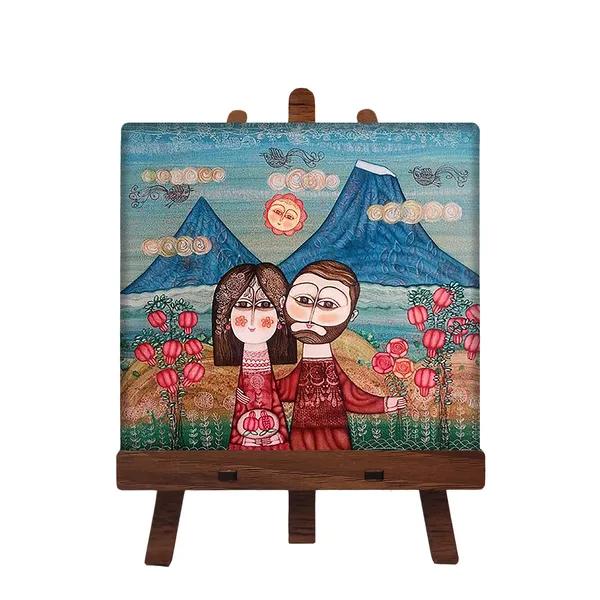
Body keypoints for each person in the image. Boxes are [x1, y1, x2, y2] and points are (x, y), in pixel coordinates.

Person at [277, 260, 405, 450]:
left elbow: (351, 395)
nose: (312, 314)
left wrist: (383, 403)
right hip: (301, 439)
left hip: (335, 442)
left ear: (351, 316)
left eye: (328, 304)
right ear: (283, 302)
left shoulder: (331, 371)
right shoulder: (303, 369)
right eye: (303, 300)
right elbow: (286, 389)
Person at [212, 263, 297, 450]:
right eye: (242, 304)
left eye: (264, 305)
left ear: (280, 317)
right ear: (226, 316)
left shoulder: (282, 368)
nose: (252, 317)